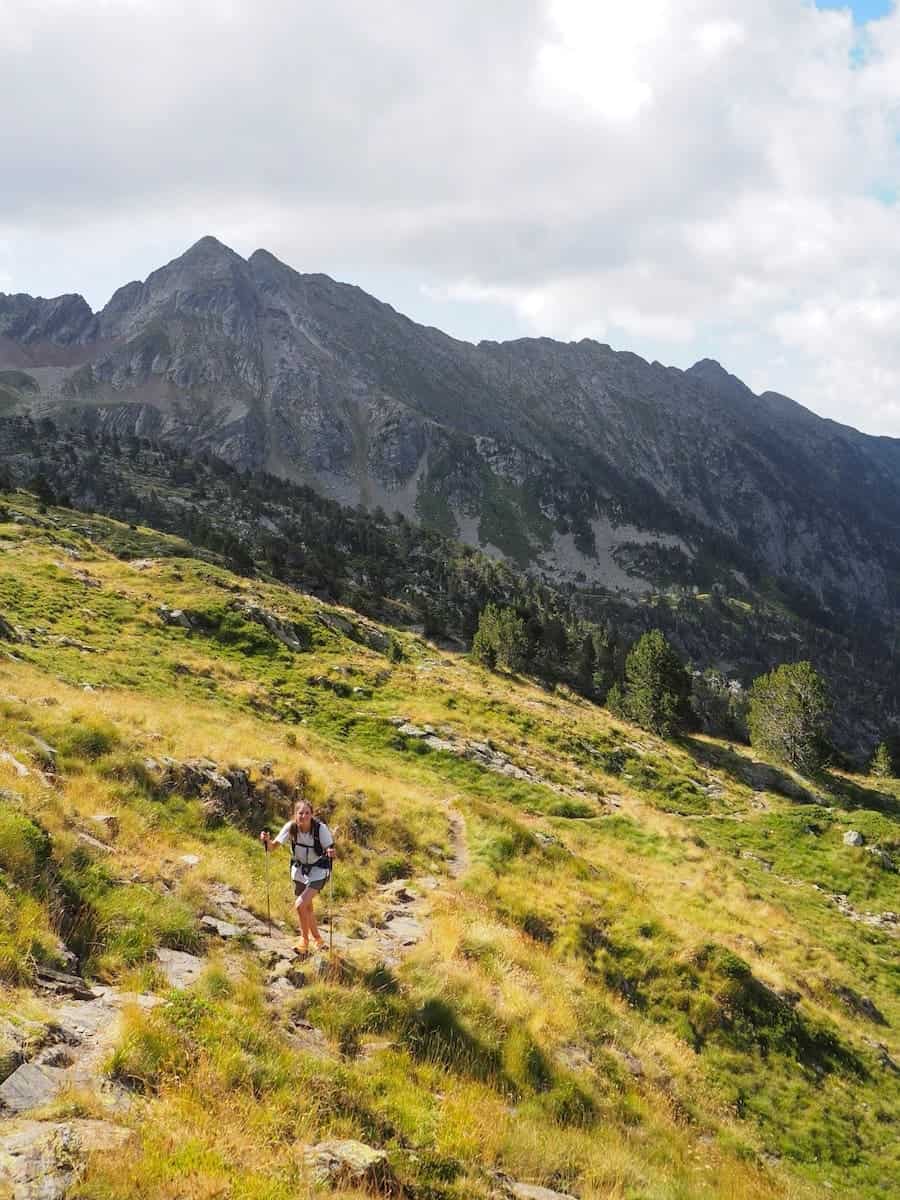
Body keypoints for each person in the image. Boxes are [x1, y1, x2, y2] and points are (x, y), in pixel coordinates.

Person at [260, 799, 335, 954]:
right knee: (307, 907)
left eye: (307, 813)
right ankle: (318, 940)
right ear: (296, 815)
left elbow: (331, 850)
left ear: (311, 815)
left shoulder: (320, 829)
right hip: (299, 870)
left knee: (300, 905)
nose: (304, 816)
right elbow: (272, 847)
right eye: (300, 813)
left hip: (319, 870)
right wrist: (266, 841)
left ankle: (304, 941)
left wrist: (331, 854)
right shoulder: (291, 827)